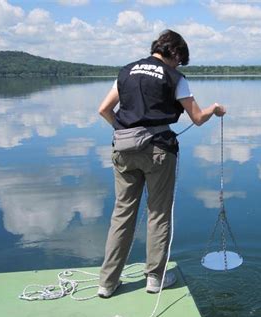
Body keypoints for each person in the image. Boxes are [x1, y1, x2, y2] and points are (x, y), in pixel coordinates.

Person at [97, 29, 226, 298]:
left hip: (123, 148)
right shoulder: (174, 76)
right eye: (180, 60)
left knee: (122, 214)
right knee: (158, 213)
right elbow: (198, 118)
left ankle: (107, 283)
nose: (179, 65)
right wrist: (214, 109)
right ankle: (154, 279)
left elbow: (104, 110)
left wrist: (127, 134)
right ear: (174, 53)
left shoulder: (126, 71)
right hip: (158, 151)